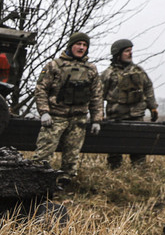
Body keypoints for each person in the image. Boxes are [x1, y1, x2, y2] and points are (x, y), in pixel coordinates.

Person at [33, 32, 103, 179]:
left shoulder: (91, 69)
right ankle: (36, 185)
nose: (81, 47)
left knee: (71, 159)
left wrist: (97, 120)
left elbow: (96, 96)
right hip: (56, 117)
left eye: (85, 45)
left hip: (78, 119)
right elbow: (41, 90)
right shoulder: (54, 66)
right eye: (78, 44)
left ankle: (66, 186)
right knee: (42, 156)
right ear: (71, 45)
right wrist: (44, 112)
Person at [101, 39, 158, 168]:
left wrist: (153, 107)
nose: (130, 54)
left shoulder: (139, 71)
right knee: (114, 150)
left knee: (138, 148)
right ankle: (114, 172)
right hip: (115, 117)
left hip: (136, 115)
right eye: (127, 51)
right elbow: (98, 95)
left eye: (131, 51)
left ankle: (139, 172)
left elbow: (148, 88)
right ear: (118, 54)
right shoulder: (109, 74)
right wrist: (99, 113)